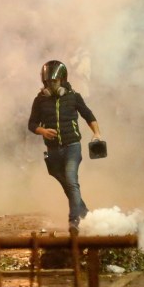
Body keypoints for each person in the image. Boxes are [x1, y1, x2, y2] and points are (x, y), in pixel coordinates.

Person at [27, 60, 101, 230]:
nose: (51, 85)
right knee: (67, 185)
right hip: (52, 150)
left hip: (72, 147)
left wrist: (96, 133)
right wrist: (42, 131)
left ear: (62, 80)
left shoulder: (74, 97)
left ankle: (74, 221)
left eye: (54, 81)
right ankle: (84, 213)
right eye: (47, 82)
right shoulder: (39, 101)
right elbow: (31, 124)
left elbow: (88, 115)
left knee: (71, 180)